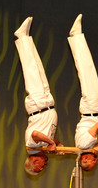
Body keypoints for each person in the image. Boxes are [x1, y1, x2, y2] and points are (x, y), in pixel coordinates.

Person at [14, 17, 64, 176]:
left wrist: (50, 143)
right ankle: (26, 37)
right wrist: (57, 143)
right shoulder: (39, 147)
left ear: (35, 162)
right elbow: (46, 135)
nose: (44, 166)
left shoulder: (31, 146)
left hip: (38, 105)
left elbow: (36, 134)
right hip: (46, 103)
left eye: (40, 167)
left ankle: (22, 37)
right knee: (38, 68)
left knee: (31, 70)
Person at [68, 14, 98, 171]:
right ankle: (76, 36)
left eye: (92, 162)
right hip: (94, 108)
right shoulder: (85, 146)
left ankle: (76, 36)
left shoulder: (84, 145)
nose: (96, 160)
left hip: (92, 108)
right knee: (87, 71)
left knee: (86, 70)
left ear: (86, 158)